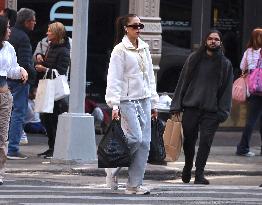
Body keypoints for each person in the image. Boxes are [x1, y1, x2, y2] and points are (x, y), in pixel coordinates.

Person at [170, 30, 233, 185]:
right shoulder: (193, 59)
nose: (213, 41)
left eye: (216, 39)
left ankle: (199, 173)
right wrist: (176, 105)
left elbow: (227, 90)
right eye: (210, 39)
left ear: (220, 43)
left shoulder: (225, 64)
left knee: (205, 142)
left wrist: (223, 112)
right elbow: (182, 82)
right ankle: (187, 166)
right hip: (191, 107)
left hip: (212, 111)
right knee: (189, 141)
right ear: (205, 41)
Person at [105, 14, 159, 195]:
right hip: (126, 101)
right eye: (134, 26)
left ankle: (134, 185)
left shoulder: (144, 48)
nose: (138, 29)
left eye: (140, 26)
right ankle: (112, 168)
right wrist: (114, 105)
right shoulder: (119, 50)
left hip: (144, 99)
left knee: (144, 143)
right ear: (125, 28)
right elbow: (114, 79)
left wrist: (153, 102)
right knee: (135, 138)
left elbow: (150, 77)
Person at [35, 22, 70, 159]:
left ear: (56, 34)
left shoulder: (63, 50)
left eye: (49, 31)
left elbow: (61, 71)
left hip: (55, 90)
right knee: (46, 117)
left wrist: (44, 68)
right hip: (48, 86)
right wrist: (41, 59)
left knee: (53, 118)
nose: (47, 33)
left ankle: (55, 148)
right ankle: (51, 146)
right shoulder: (51, 46)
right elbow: (51, 65)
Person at [0, 16, 28, 184]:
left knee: (2, 137)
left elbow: (11, 70)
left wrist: (21, 71)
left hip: (4, 96)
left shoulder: (9, 48)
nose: (10, 31)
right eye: (7, 27)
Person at [7, 8, 37, 160]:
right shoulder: (24, 38)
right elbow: (25, 62)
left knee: (6, 113)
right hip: (19, 80)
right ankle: (12, 148)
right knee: (18, 113)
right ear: (26, 22)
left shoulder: (10, 33)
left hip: (5, 79)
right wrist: (33, 75)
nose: (35, 23)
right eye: (33, 20)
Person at [236, 28, 262, 157]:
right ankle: (242, 148)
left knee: (251, 120)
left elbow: (242, 67)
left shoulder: (248, 52)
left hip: (253, 90)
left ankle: (243, 147)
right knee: (255, 121)